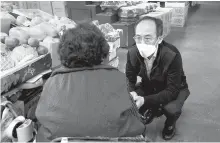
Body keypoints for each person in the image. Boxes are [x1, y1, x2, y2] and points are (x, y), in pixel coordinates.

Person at [35, 22, 146, 142]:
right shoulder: (118, 78)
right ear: (103, 51)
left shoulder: (52, 82)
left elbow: (42, 116)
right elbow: (136, 122)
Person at [126, 16, 190, 140]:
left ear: (159, 39)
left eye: (148, 38)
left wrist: (144, 100)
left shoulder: (171, 55)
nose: (142, 43)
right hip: (150, 84)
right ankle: (151, 110)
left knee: (171, 109)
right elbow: (129, 77)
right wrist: (132, 92)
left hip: (173, 88)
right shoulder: (133, 53)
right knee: (129, 102)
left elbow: (172, 91)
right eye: (138, 37)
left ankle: (170, 124)